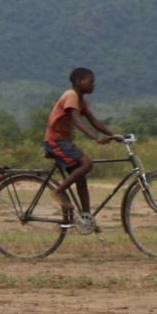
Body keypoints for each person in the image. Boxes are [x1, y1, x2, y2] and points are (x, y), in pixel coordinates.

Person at [43, 67, 123, 218]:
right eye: (91, 82)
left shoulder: (81, 100)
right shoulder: (71, 95)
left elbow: (93, 120)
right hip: (56, 142)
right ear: (79, 82)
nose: (94, 85)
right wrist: (96, 137)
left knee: (81, 179)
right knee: (87, 163)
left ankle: (87, 218)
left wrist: (115, 136)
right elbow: (77, 120)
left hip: (64, 141)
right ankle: (59, 190)